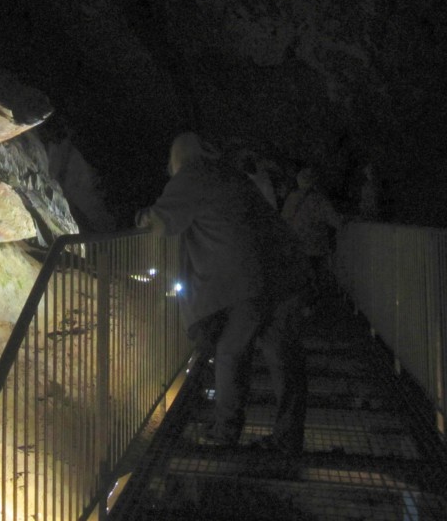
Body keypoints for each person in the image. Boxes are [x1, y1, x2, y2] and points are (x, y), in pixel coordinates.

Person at [136, 133, 311, 455]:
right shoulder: (228, 174)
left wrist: (141, 218)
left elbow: (161, 222)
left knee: (231, 353)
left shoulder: (192, 176)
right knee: (283, 358)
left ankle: (225, 433)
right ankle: (288, 440)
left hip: (251, 279)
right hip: (282, 271)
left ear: (178, 158)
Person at [281, 166, 342, 300]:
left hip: (297, 247)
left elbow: (283, 221)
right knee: (318, 280)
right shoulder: (319, 200)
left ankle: (306, 306)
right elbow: (336, 221)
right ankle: (318, 306)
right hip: (316, 247)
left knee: (303, 282)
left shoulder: (291, 198)